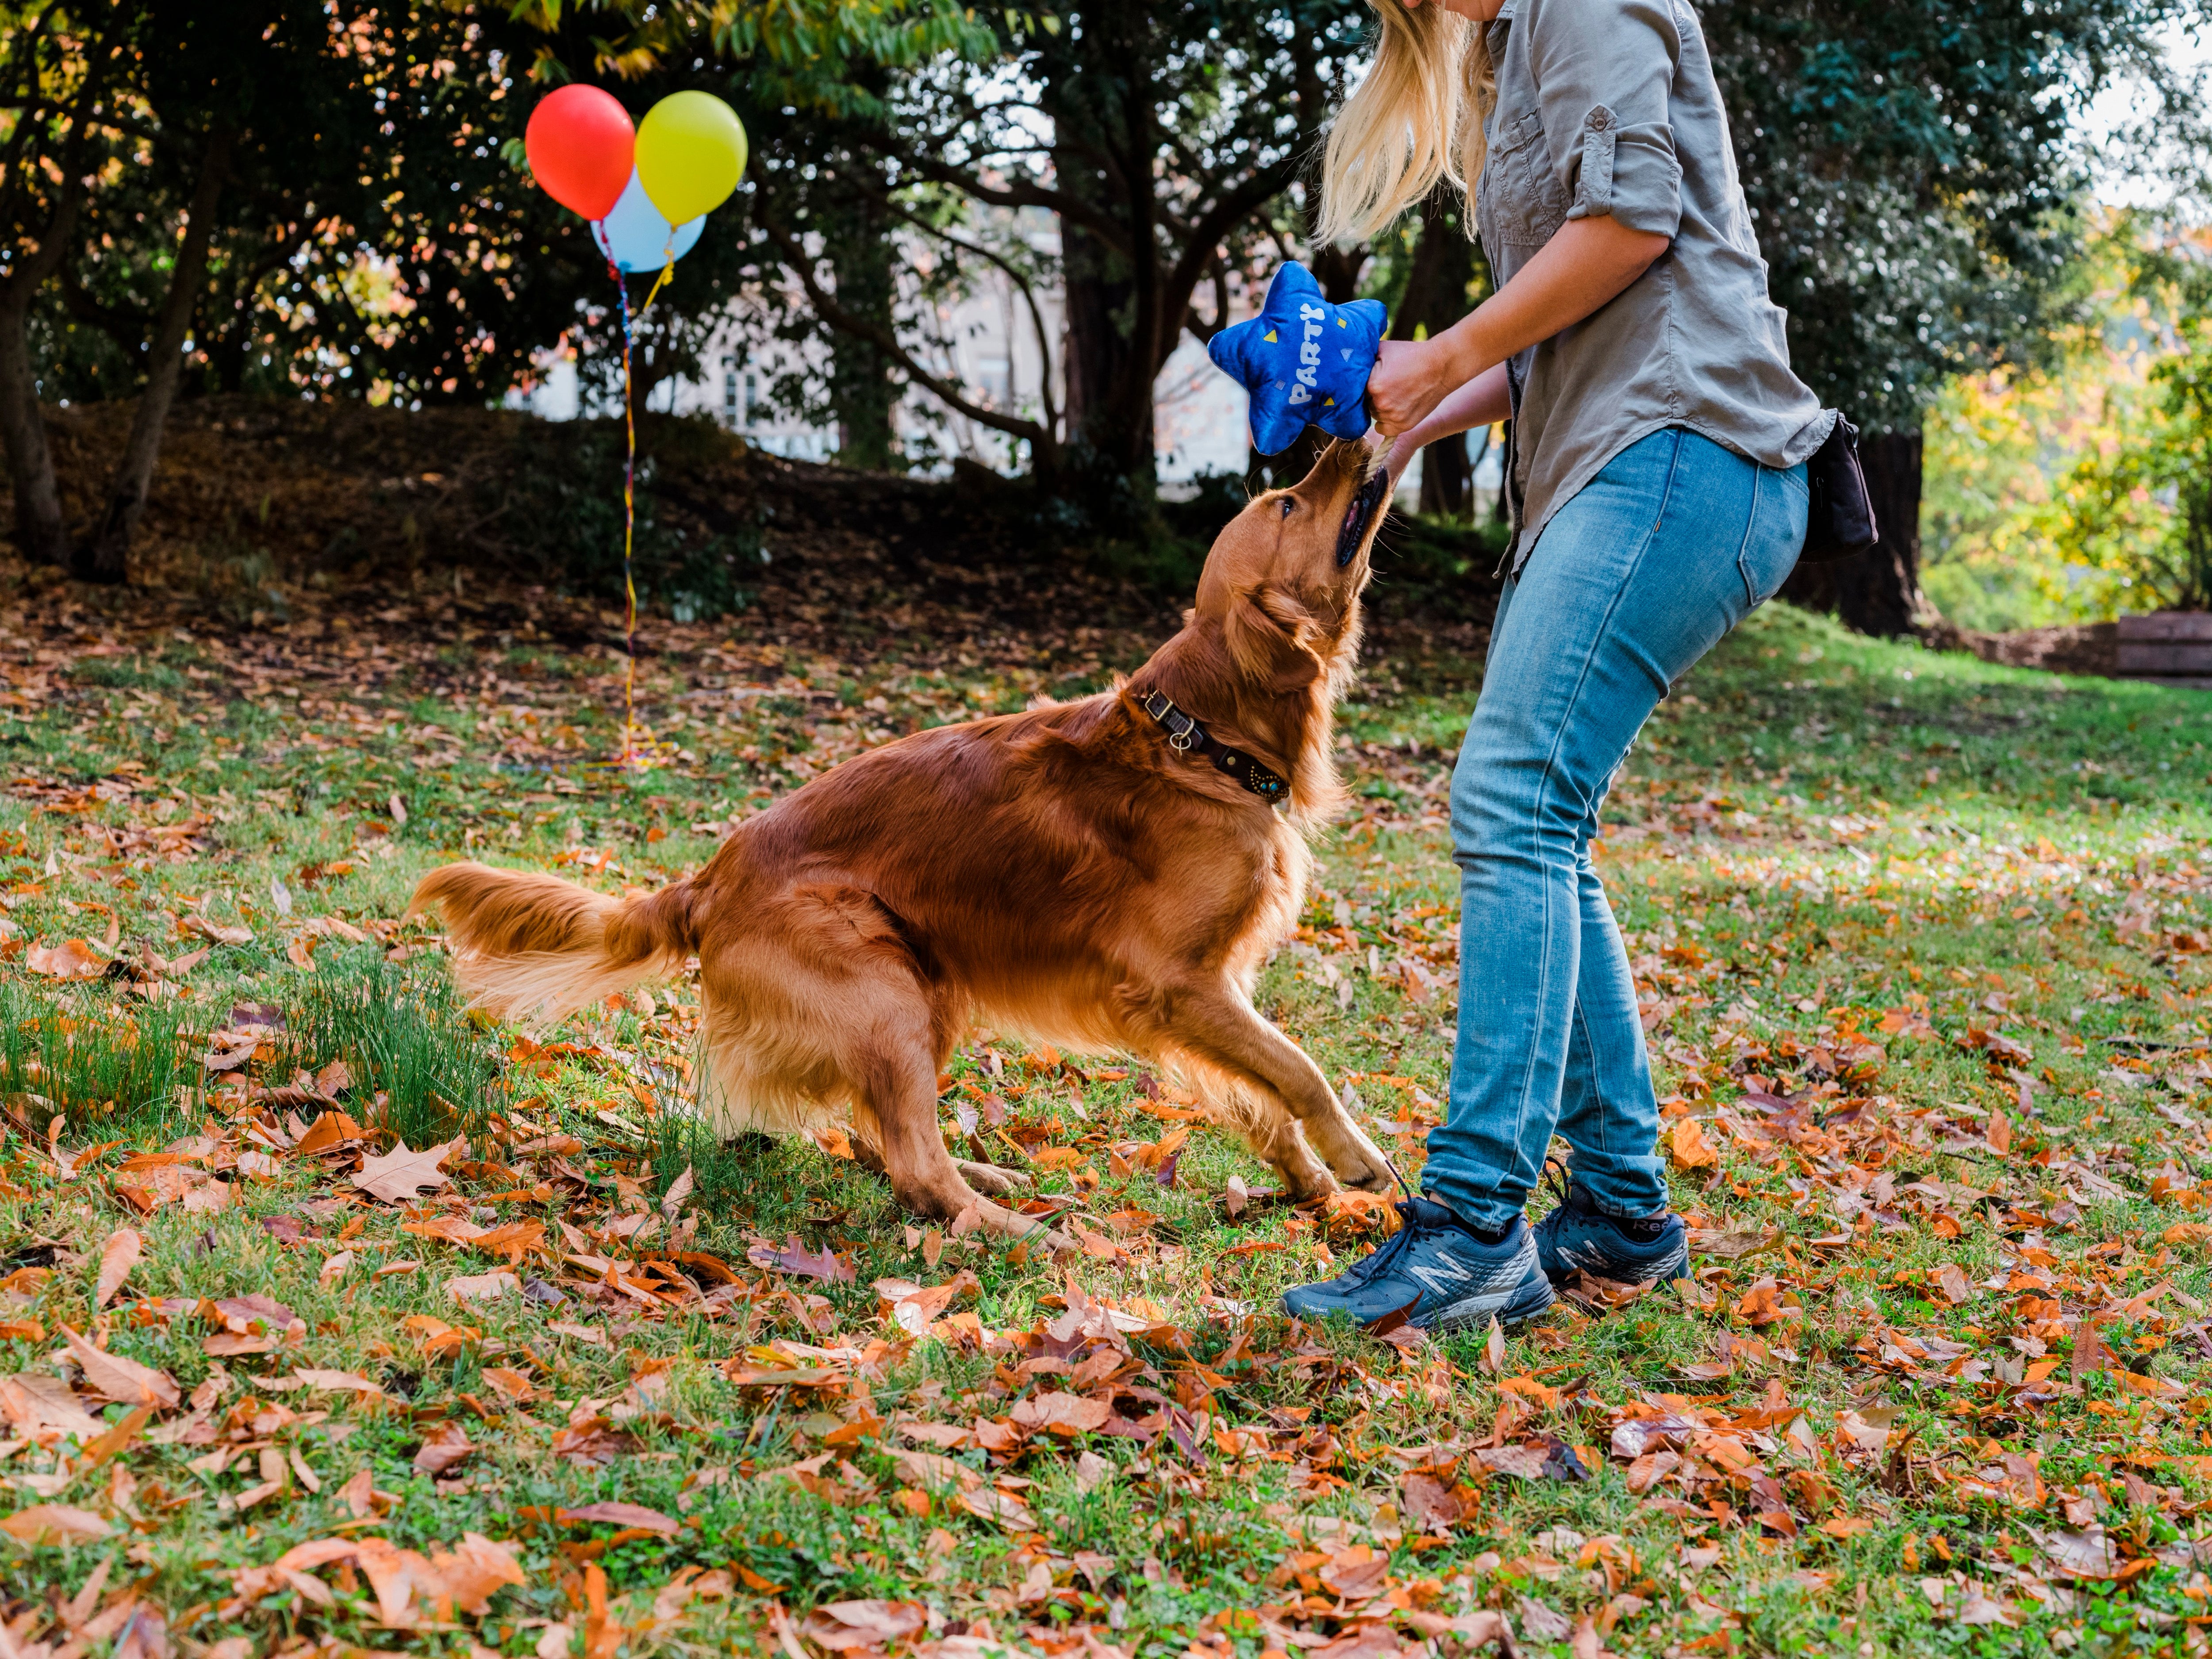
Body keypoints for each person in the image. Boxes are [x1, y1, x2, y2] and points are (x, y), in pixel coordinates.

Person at [1282, 0, 1831, 1332]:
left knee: (1511, 803)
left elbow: (1635, 229)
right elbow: (1564, 326)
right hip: (1623, 457)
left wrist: (1448, 350)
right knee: (1543, 822)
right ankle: (1625, 1213)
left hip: (1682, 450)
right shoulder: (1507, 47)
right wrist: (1412, 407)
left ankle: (1473, 1229)